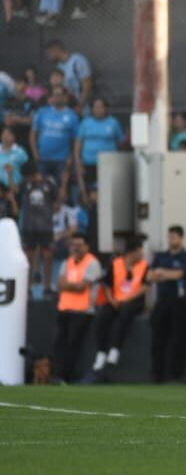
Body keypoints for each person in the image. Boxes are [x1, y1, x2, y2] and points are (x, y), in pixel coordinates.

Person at [85, 235, 149, 383]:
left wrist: (128, 298)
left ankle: (115, 349)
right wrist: (112, 299)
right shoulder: (116, 264)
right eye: (140, 251)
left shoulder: (144, 266)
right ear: (132, 252)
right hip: (116, 299)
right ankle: (101, 352)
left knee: (125, 314)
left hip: (133, 301)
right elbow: (107, 284)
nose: (142, 255)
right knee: (103, 316)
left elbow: (145, 286)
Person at [52, 231, 102, 384]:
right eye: (73, 245)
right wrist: (71, 285)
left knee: (74, 345)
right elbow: (59, 285)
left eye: (79, 245)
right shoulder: (67, 262)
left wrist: (69, 285)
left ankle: (69, 376)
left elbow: (82, 286)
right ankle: (58, 376)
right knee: (59, 344)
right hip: (65, 309)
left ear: (87, 246)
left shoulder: (92, 263)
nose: (76, 248)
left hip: (83, 311)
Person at [146, 225, 186, 383]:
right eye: (170, 236)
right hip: (162, 300)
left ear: (181, 238)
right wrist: (165, 274)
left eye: (174, 236)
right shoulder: (161, 256)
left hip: (179, 302)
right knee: (158, 339)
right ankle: (157, 373)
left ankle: (176, 373)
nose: (171, 239)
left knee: (178, 339)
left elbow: (180, 274)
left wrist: (163, 273)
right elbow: (150, 276)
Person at [18, 160, 56, 296]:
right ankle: (27, 289)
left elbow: (56, 200)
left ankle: (47, 287)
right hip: (29, 226)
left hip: (46, 226)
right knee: (28, 258)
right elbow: (16, 193)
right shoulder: (24, 185)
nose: (26, 179)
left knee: (48, 257)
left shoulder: (49, 183)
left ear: (33, 174)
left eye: (27, 176)